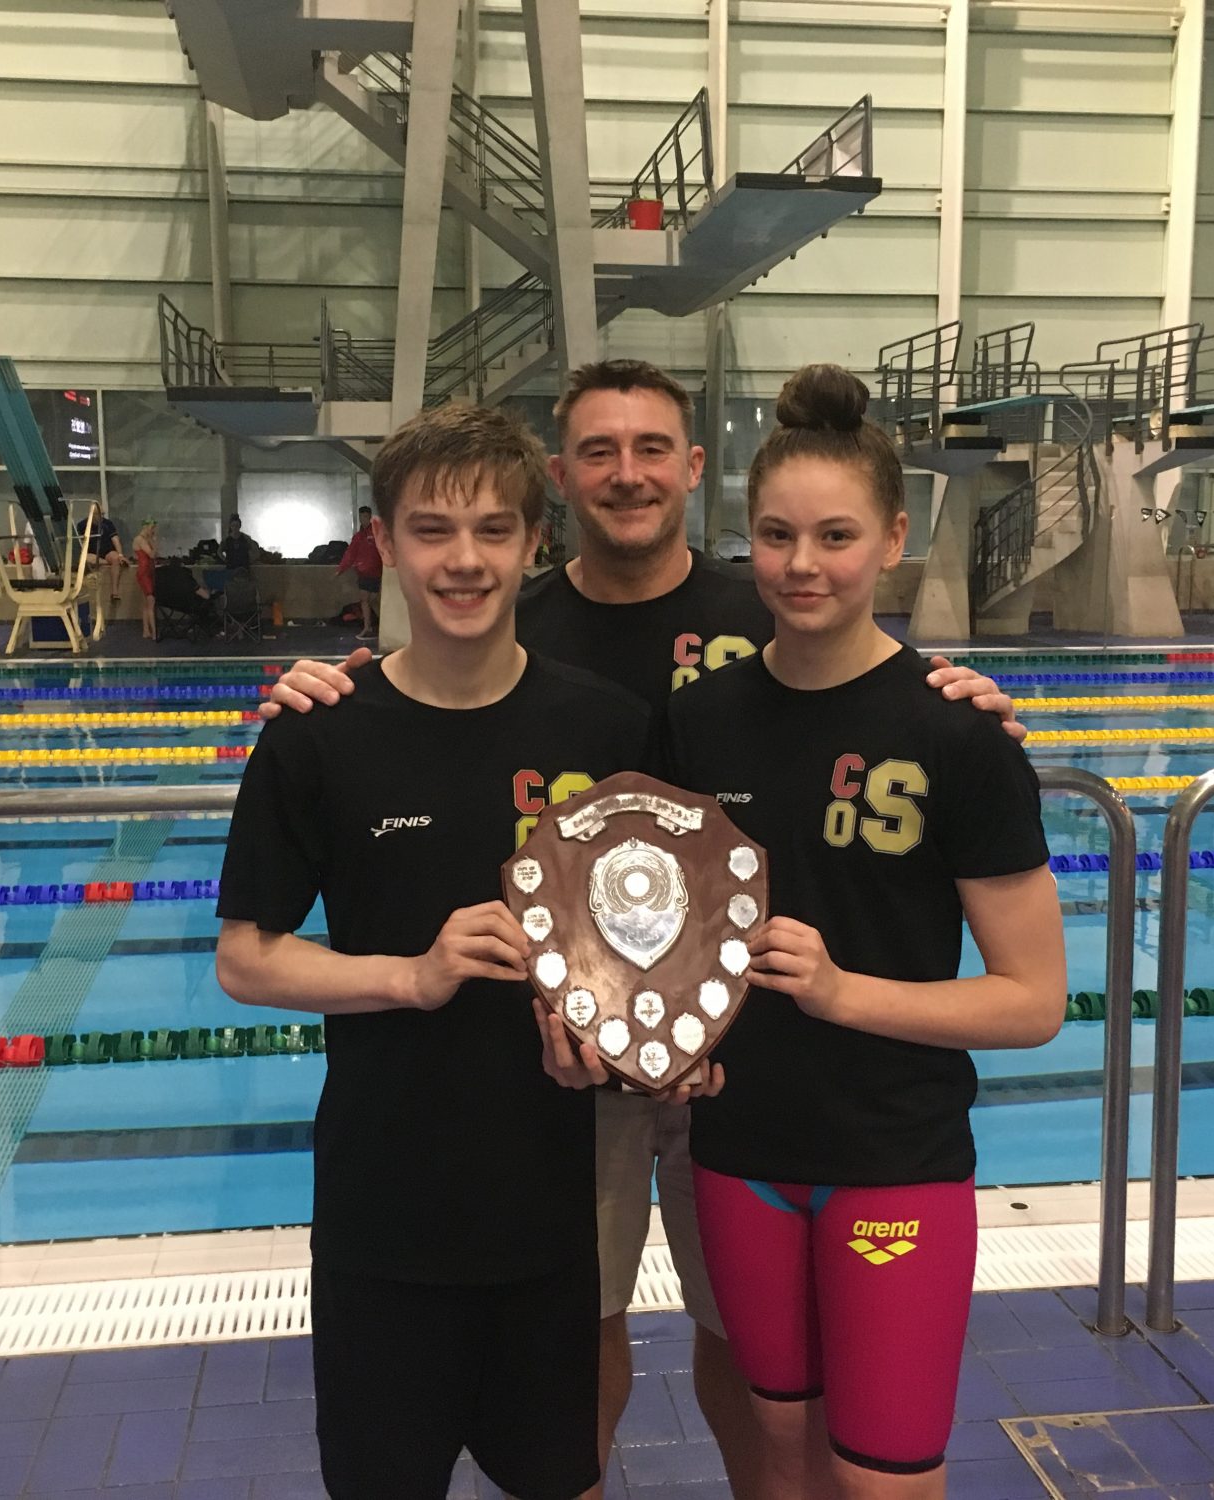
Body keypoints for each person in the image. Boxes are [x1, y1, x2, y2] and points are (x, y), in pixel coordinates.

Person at [255, 360, 1025, 1500]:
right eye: (600, 453)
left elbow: (833, 707)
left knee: (750, 1353)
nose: (629, 474)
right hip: (571, 1057)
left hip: (741, 1070)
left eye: (653, 449)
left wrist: (954, 697)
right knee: (590, 1317)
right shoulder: (521, 609)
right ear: (559, 482)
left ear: (692, 467)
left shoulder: (752, 605)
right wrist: (328, 691)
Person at [214, 401, 718, 1500]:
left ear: (533, 543)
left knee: (560, 1480)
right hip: (383, 1212)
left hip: (548, 1210)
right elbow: (247, 958)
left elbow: (658, 938)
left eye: (493, 530)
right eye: (432, 531)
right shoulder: (318, 734)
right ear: (384, 543)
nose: (464, 560)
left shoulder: (605, 726)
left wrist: (638, 1040)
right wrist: (413, 975)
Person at [661, 365, 1066, 1496]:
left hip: (892, 1161)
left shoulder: (957, 737)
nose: (801, 564)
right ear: (745, 539)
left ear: (892, 538)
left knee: (882, 1474)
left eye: (834, 535)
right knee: (777, 1449)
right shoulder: (697, 722)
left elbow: (1031, 1000)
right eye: (777, 535)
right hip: (737, 1155)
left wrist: (842, 993)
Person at [335, 504, 383, 640]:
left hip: (377, 572)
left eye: (366, 517)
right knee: (364, 600)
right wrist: (341, 568)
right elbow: (350, 553)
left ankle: (378, 626)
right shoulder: (358, 536)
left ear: (370, 517)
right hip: (363, 573)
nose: (363, 520)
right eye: (361, 517)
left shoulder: (377, 535)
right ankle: (367, 627)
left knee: (374, 600)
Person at [133, 520, 160, 641]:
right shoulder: (141, 540)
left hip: (147, 572)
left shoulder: (143, 540)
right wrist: (154, 542)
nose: (153, 531)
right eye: (152, 528)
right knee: (151, 601)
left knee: (146, 604)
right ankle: (154, 633)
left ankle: (146, 630)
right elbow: (152, 555)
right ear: (147, 527)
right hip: (144, 574)